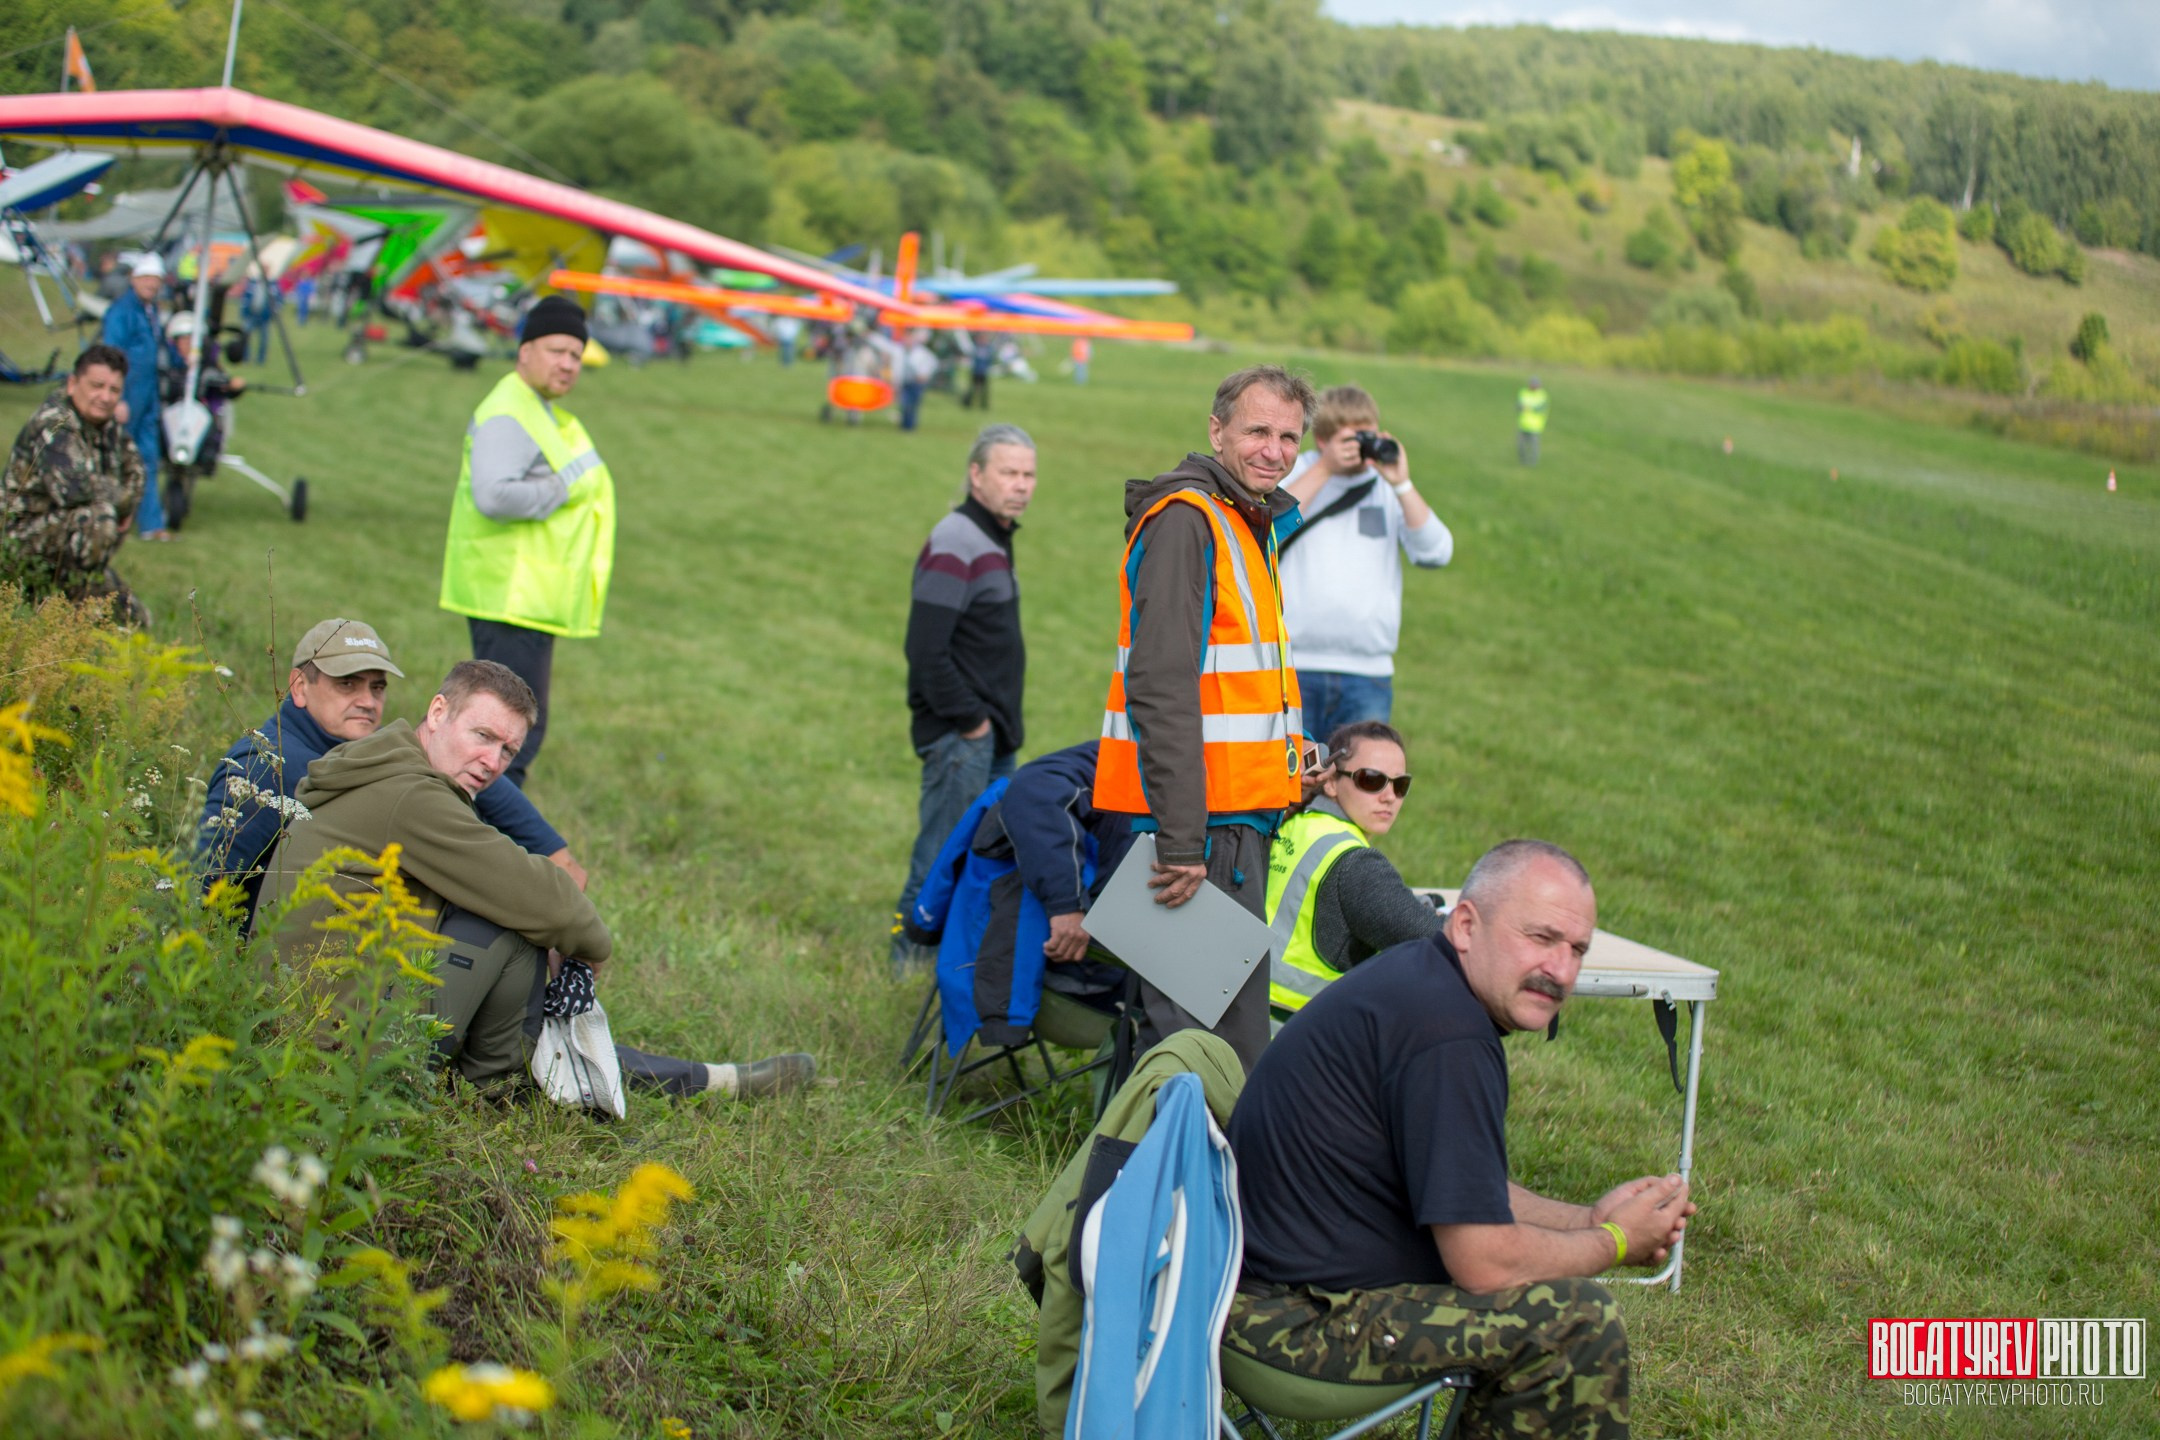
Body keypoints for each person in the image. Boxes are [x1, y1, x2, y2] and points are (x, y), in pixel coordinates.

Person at [1225, 840, 1696, 1438]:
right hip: (1287, 1325)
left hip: (1252, 1294)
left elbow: (1462, 1187)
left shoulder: (1426, 985)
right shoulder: (1447, 1034)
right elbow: (1484, 1264)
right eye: (1541, 938)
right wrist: (1616, 1241)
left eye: (1576, 950)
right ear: (1468, 925)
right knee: (1576, 1322)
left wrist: (1584, 1220)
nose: (1560, 970)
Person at [260, 660, 814, 1100]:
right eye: (483, 735)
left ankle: (691, 1077)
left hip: (305, 1018)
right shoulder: (413, 797)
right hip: (333, 1048)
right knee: (517, 924)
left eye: (507, 750)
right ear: (437, 713)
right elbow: (547, 899)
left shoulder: (387, 765)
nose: (493, 761)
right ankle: (497, 1091)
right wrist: (592, 947)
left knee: (506, 919)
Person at [1092, 365, 1313, 1071]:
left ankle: (1176, 1177)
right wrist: (1181, 841)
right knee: (1201, 1048)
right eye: (1257, 431)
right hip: (1197, 834)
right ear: (1217, 431)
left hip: (1235, 822)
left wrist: (1290, 763)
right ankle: (1149, 1180)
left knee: (1219, 1041)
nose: (1273, 450)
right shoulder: (1191, 521)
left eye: (1288, 437)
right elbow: (1160, 685)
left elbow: (1238, 687)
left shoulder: (1250, 521)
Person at [196, 617, 583, 934]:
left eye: (377, 687)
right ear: (299, 686)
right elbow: (205, 889)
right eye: (347, 684)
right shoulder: (267, 764)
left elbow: (564, 864)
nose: (367, 700)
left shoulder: (380, 758)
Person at [439, 294, 615, 788]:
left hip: (526, 599)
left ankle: (475, 842)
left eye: (576, 355)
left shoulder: (535, 410)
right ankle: (474, 843)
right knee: (503, 739)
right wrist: (562, 489)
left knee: (509, 735)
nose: (568, 363)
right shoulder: (509, 413)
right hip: (508, 597)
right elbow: (493, 496)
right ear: (524, 352)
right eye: (557, 350)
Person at [891, 424, 1037, 974]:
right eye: (1008, 472)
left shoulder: (993, 536)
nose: (1020, 485)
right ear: (976, 475)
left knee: (979, 855)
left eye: (1028, 474)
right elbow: (925, 650)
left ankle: (949, 964)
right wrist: (972, 722)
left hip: (989, 733)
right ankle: (905, 961)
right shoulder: (956, 541)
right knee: (941, 854)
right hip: (962, 735)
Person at [1279, 384, 1452, 737]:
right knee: (1290, 787)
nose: (1361, 448)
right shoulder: (1298, 474)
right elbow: (1266, 525)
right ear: (1323, 440)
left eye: (1367, 436)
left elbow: (1436, 552)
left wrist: (1402, 484)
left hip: (1367, 672)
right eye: (1350, 439)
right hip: (1293, 665)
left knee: (1358, 788)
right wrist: (1326, 469)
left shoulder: (1385, 487)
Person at [1265, 720, 1443, 1015]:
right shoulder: (1354, 863)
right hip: (1294, 1033)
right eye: (1371, 780)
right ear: (1331, 782)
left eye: (1401, 785)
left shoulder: (1292, 823)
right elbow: (1435, 940)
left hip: (1238, 1014)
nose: (1389, 797)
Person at [1, 344, 146, 619]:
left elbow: (137, 471)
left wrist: (126, 501)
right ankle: (64, 611)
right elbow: (75, 489)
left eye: (114, 390)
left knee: (134, 618)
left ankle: (77, 603)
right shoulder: (53, 424)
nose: (105, 397)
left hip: (65, 546)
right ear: (72, 383)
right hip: (15, 545)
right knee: (98, 517)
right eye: (97, 386)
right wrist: (123, 503)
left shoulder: (106, 426)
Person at [157, 312, 249, 532]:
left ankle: (205, 460)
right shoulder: (165, 367)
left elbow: (223, 389)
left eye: (193, 339)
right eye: (184, 339)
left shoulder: (208, 369)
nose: (189, 344)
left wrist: (233, 386)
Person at [100, 253, 167, 539]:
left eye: (156, 279)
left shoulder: (149, 311)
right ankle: (106, 518)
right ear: (133, 279)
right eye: (146, 278)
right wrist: (117, 397)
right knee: (115, 457)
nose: (152, 284)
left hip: (148, 394)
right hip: (128, 396)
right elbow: (112, 356)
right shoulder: (122, 312)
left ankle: (151, 524)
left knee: (148, 457)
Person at [897, 333, 936, 432]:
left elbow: (933, 362)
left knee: (913, 404)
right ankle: (904, 424)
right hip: (906, 382)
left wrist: (925, 374)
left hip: (916, 383)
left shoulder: (921, 352)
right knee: (905, 403)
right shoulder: (901, 351)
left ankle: (910, 426)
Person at [1517, 376, 1549, 466]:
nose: (1533, 386)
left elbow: (1541, 408)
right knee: (1520, 446)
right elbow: (1518, 405)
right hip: (1523, 424)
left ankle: (1533, 463)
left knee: (1534, 446)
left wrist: (1528, 408)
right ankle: (1523, 462)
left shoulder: (1542, 395)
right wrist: (1520, 407)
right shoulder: (1523, 392)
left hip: (1535, 426)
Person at [961, 334, 994, 410]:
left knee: (984, 390)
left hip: (983, 372)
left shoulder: (988, 348)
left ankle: (983, 405)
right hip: (975, 371)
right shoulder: (976, 348)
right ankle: (968, 403)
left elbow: (990, 360)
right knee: (972, 389)